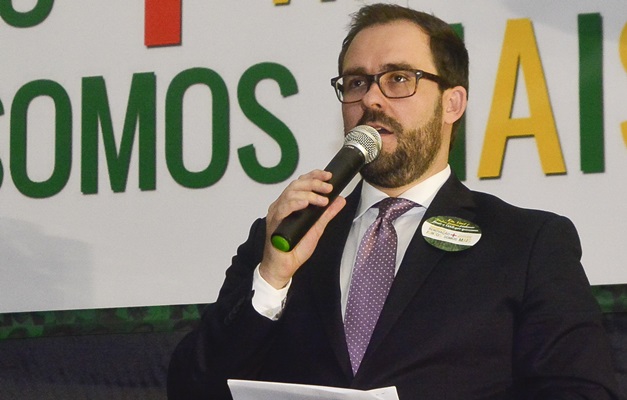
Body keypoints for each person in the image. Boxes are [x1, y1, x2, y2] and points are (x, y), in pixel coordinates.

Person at [167, 4, 621, 399]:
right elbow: (192, 388)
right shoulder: (286, 235)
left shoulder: (528, 244)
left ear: (452, 103)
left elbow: (581, 391)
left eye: (398, 79)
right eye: (356, 82)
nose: (371, 99)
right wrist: (270, 282)